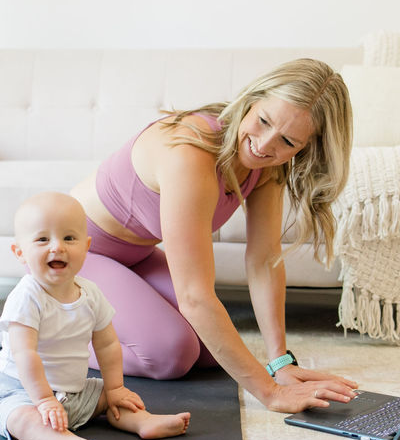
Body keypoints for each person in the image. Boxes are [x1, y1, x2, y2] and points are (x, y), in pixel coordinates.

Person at [70, 58, 360, 414]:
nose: (265, 145)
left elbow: (265, 259)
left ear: (305, 149)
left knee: (209, 352)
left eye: (287, 141)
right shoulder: (191, 154)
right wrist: (270, 392)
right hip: (75, 253)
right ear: (252, 99)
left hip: (136, 255)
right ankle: (48, 338)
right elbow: (194, 297)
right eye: (263, 121)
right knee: (172, 353)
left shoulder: (267, 167)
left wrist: (279, 362)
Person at [0, 191, 191, 440]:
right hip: (21, 393)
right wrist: (44, 400)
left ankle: (142, 422)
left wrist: (115, 387)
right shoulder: (26, 297)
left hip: (73, 392)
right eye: (43, 239)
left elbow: (107, 343)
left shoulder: (91, 293)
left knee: (109, 397)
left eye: (69, 238)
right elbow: (25, 354)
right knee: (24, 422)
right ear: (20, 252)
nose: (57, 247)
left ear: (86, 246)